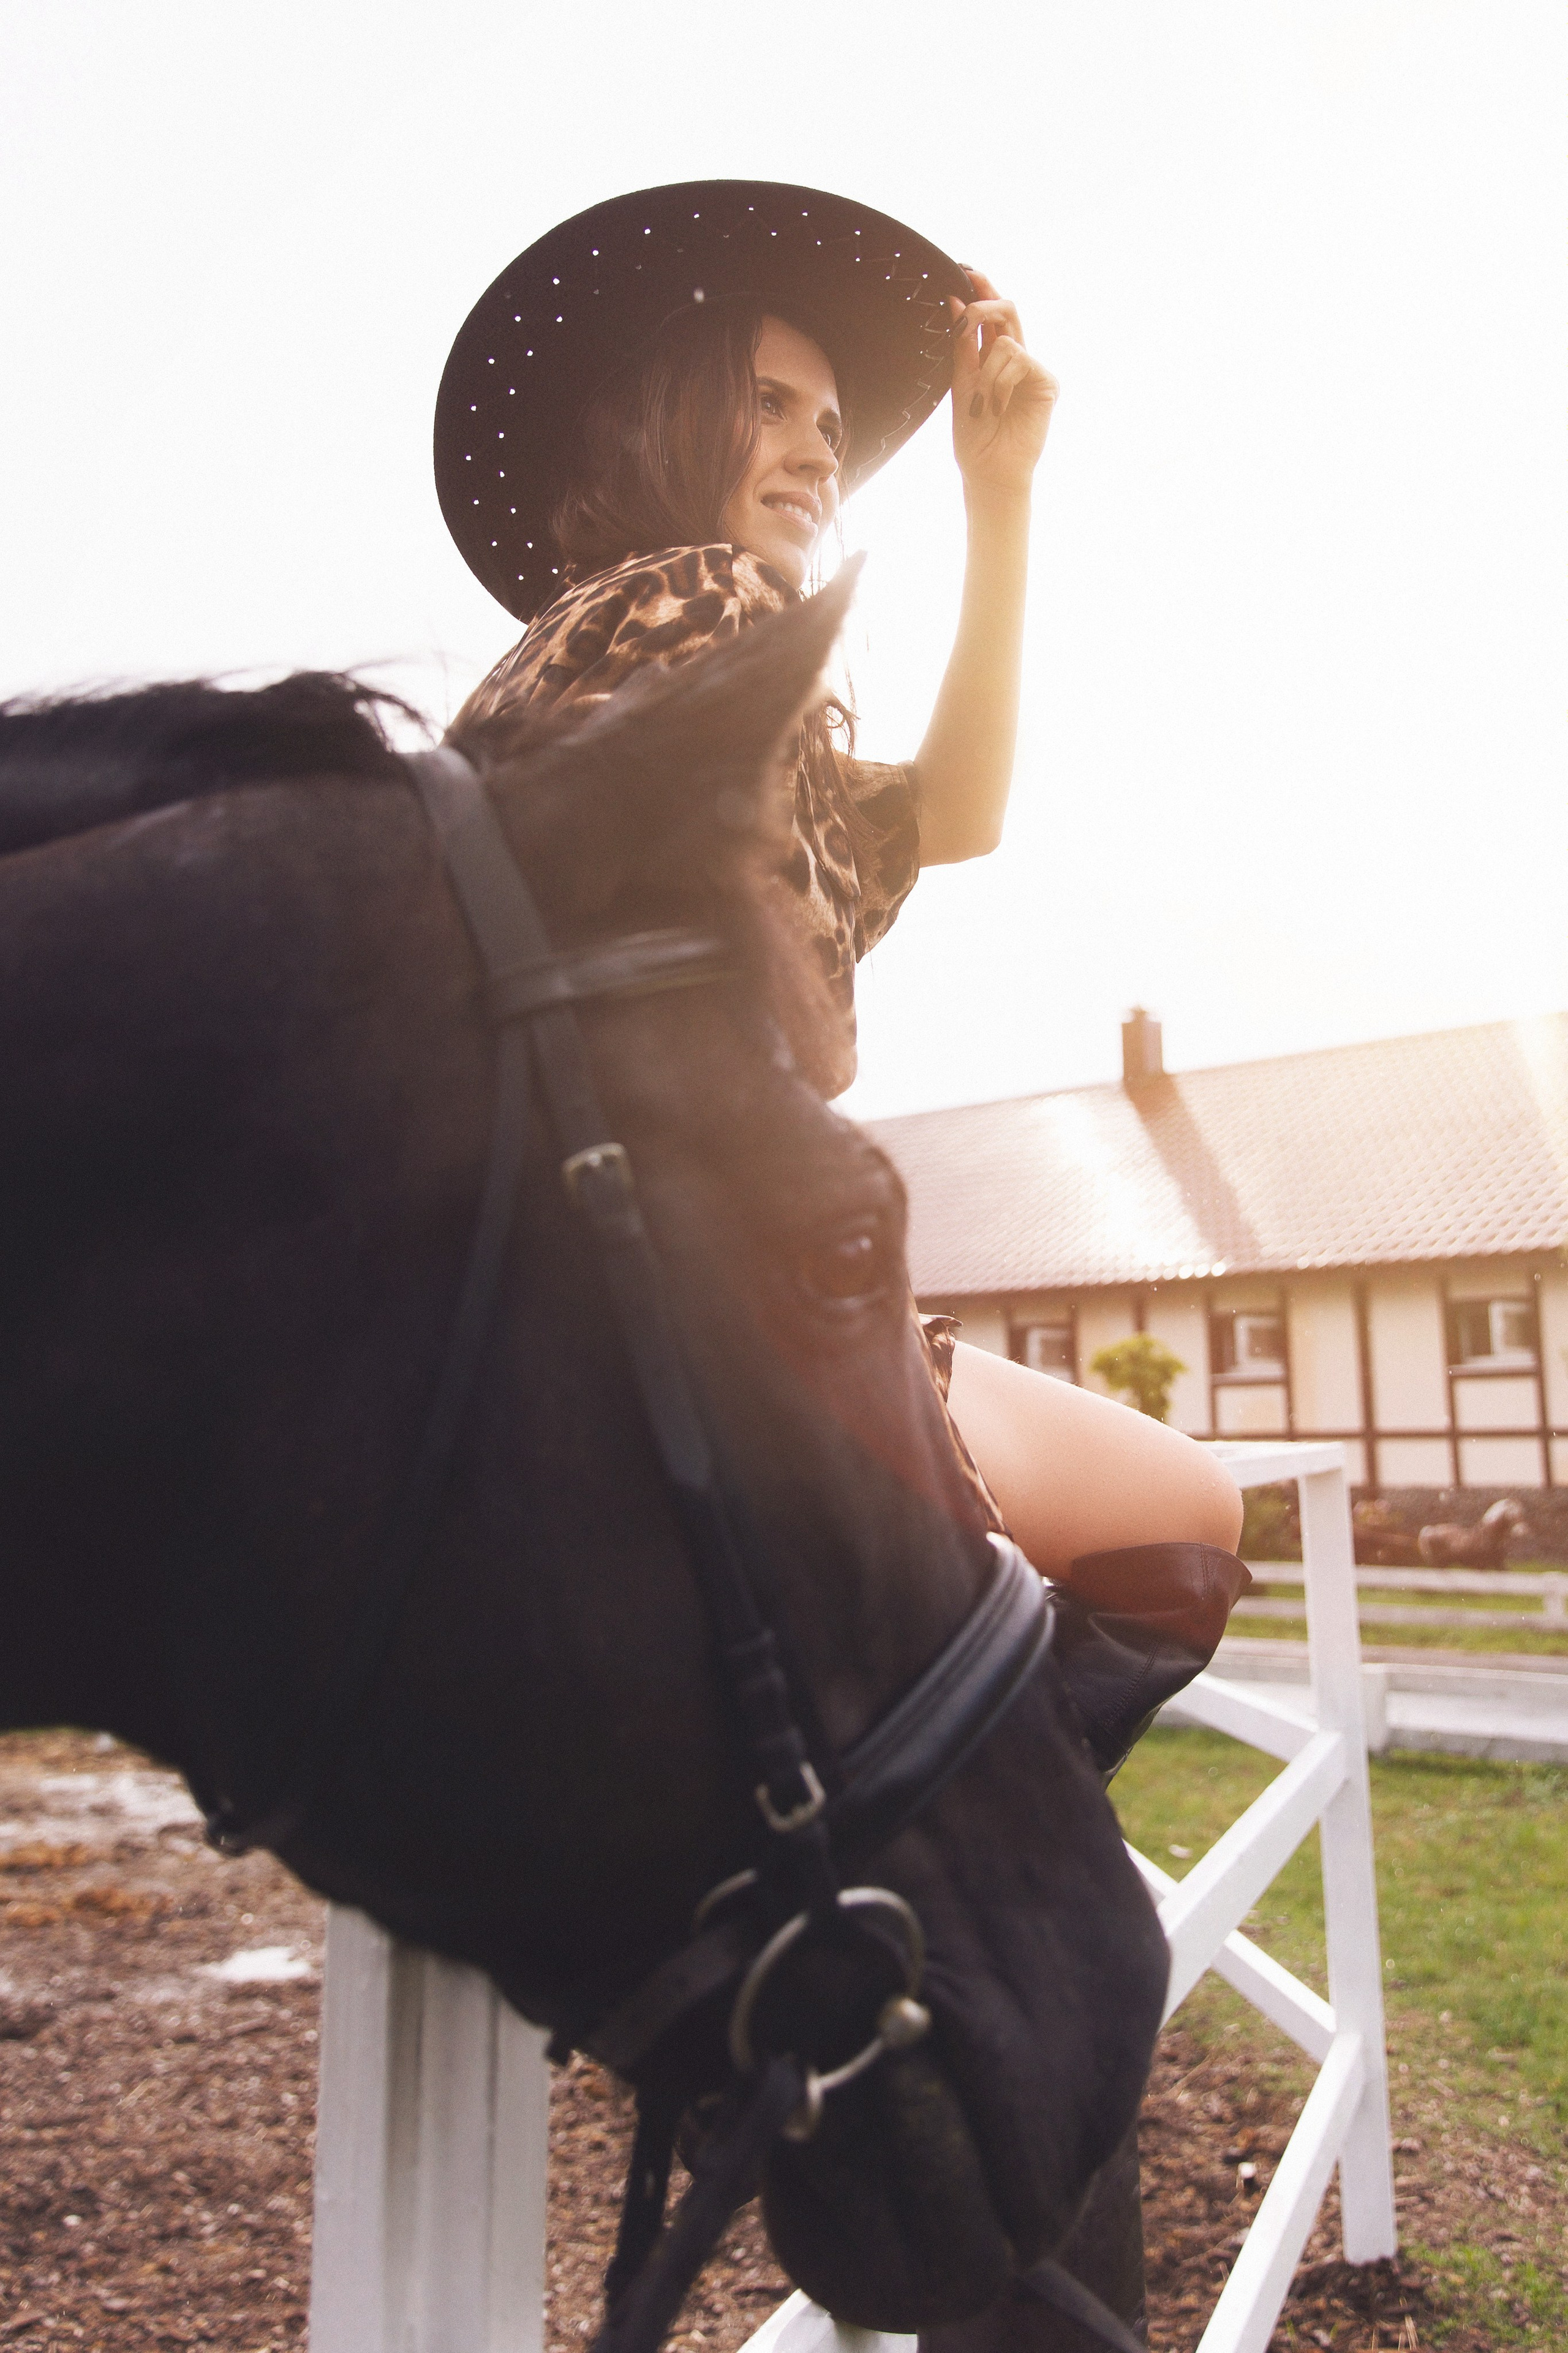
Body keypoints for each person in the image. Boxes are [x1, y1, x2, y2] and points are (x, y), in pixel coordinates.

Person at [437, 181, 1242, 1580]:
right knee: (1182, 1514)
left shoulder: (580, 647)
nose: (818, 450)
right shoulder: (711, 597)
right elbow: (754, 1035)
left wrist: (996, 500)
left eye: (830, 425)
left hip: (564, 1278)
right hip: (691, 1308)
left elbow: (950, 816)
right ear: (662, 419)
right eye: (766, 404)